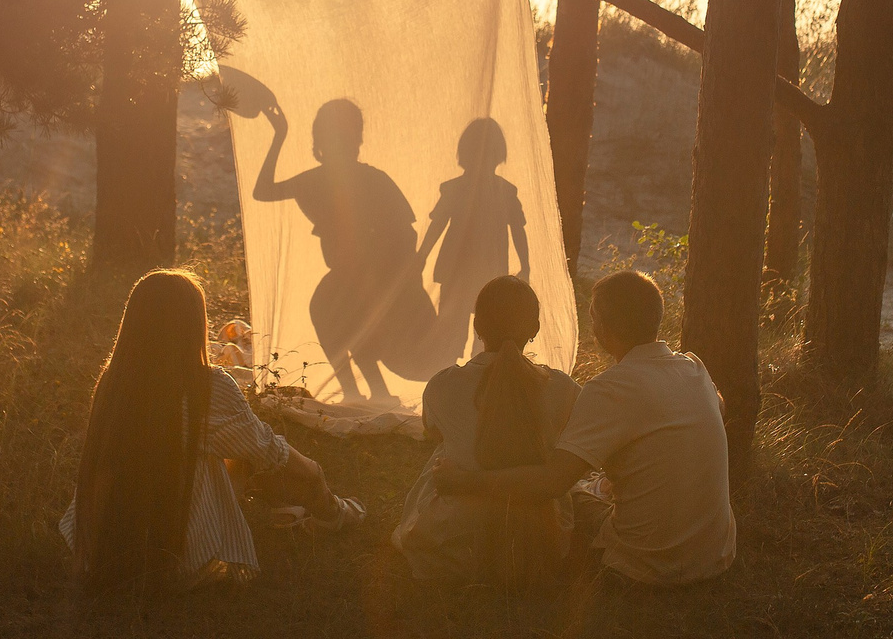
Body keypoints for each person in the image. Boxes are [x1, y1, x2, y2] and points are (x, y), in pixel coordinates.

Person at [62, 270, 363, 593]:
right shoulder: (205, 386)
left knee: (236, 448)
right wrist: (315, 474)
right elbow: (268, 451)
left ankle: (291, 511)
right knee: (256, 451)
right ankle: (333, 513)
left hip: (99, 552)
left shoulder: (113, 381)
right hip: (173, 563)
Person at [434, 270, 735, 586]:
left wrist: (464, 481)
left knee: (574, 494)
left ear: (602, 328)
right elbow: (720, 406)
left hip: (646, 566)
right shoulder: (693, 367)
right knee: (598, 483)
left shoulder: (609, 388)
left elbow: (552, 483)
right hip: (716, 556)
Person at [391, 276, 580, 587]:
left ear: (477, 326)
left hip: (452, 545)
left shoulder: (442, 385)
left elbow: (433, 434)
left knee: (445, 452)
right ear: (534, 329)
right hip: (539, 546)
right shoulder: (565, 389)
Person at [252, 95, 436, 403]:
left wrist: (400, 279)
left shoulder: (367, 179)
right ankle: (365, 391)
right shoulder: (320, 179)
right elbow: (263, 191)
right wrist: (279, 135)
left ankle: (363, 391)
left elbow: (405, 233)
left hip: (377, 277)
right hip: (355, 276)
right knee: (334, 313)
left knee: (335, 312)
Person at [418, 118, 531, 363]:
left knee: (476, 328)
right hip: (466, 269)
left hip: (476, 270)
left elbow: (517, 229)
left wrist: (422, 256)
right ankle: (456, 371)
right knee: (460, 328)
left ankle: (465, 372)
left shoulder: (501, 191)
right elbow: (438, 224)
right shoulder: (460, 189)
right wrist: (422, 256)